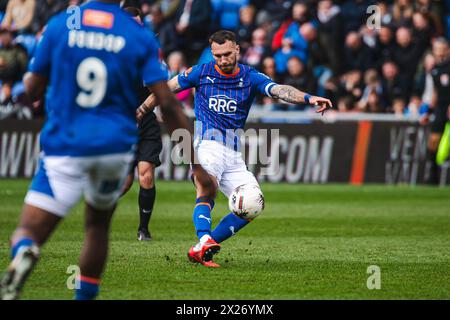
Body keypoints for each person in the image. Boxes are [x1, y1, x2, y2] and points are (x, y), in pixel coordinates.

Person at [0, 0, 211, 300]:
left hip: (66, 144)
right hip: (114, 147)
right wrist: (196, 162)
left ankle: (24, 251)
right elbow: (167, 102)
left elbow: (32, 88)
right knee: (97, 227)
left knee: (27, 230)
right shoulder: (138, 36)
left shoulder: (62, 24)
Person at [137, 30, 332, 268]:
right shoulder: (202, 72)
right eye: (217, 55)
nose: (223, 60)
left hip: (233, 153)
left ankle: (203, 247)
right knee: (207, 188)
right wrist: (140, 112)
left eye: (227, 54)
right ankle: (204, 237)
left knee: (253, 205)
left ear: (237, 50)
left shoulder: (250, 77)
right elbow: (165, 89)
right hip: (207, 145)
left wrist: (309, 98)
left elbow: (280, 90)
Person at [120, 6, 165, 242]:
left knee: (146, 175)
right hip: (120, 121)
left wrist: (143, 110)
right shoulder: (111, 50)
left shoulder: (150, 50)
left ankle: (143, 230)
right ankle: (97, 218)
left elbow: (161, 86)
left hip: (145, 120)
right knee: (124, 183)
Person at [421, 37, 450, 184]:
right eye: (437, 50)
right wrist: (425, 111)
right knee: (434, 140)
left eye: (442, 50)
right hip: (440, 106)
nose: (439, 53)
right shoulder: (433, 70)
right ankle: (433, 175)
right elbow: (432, 93)